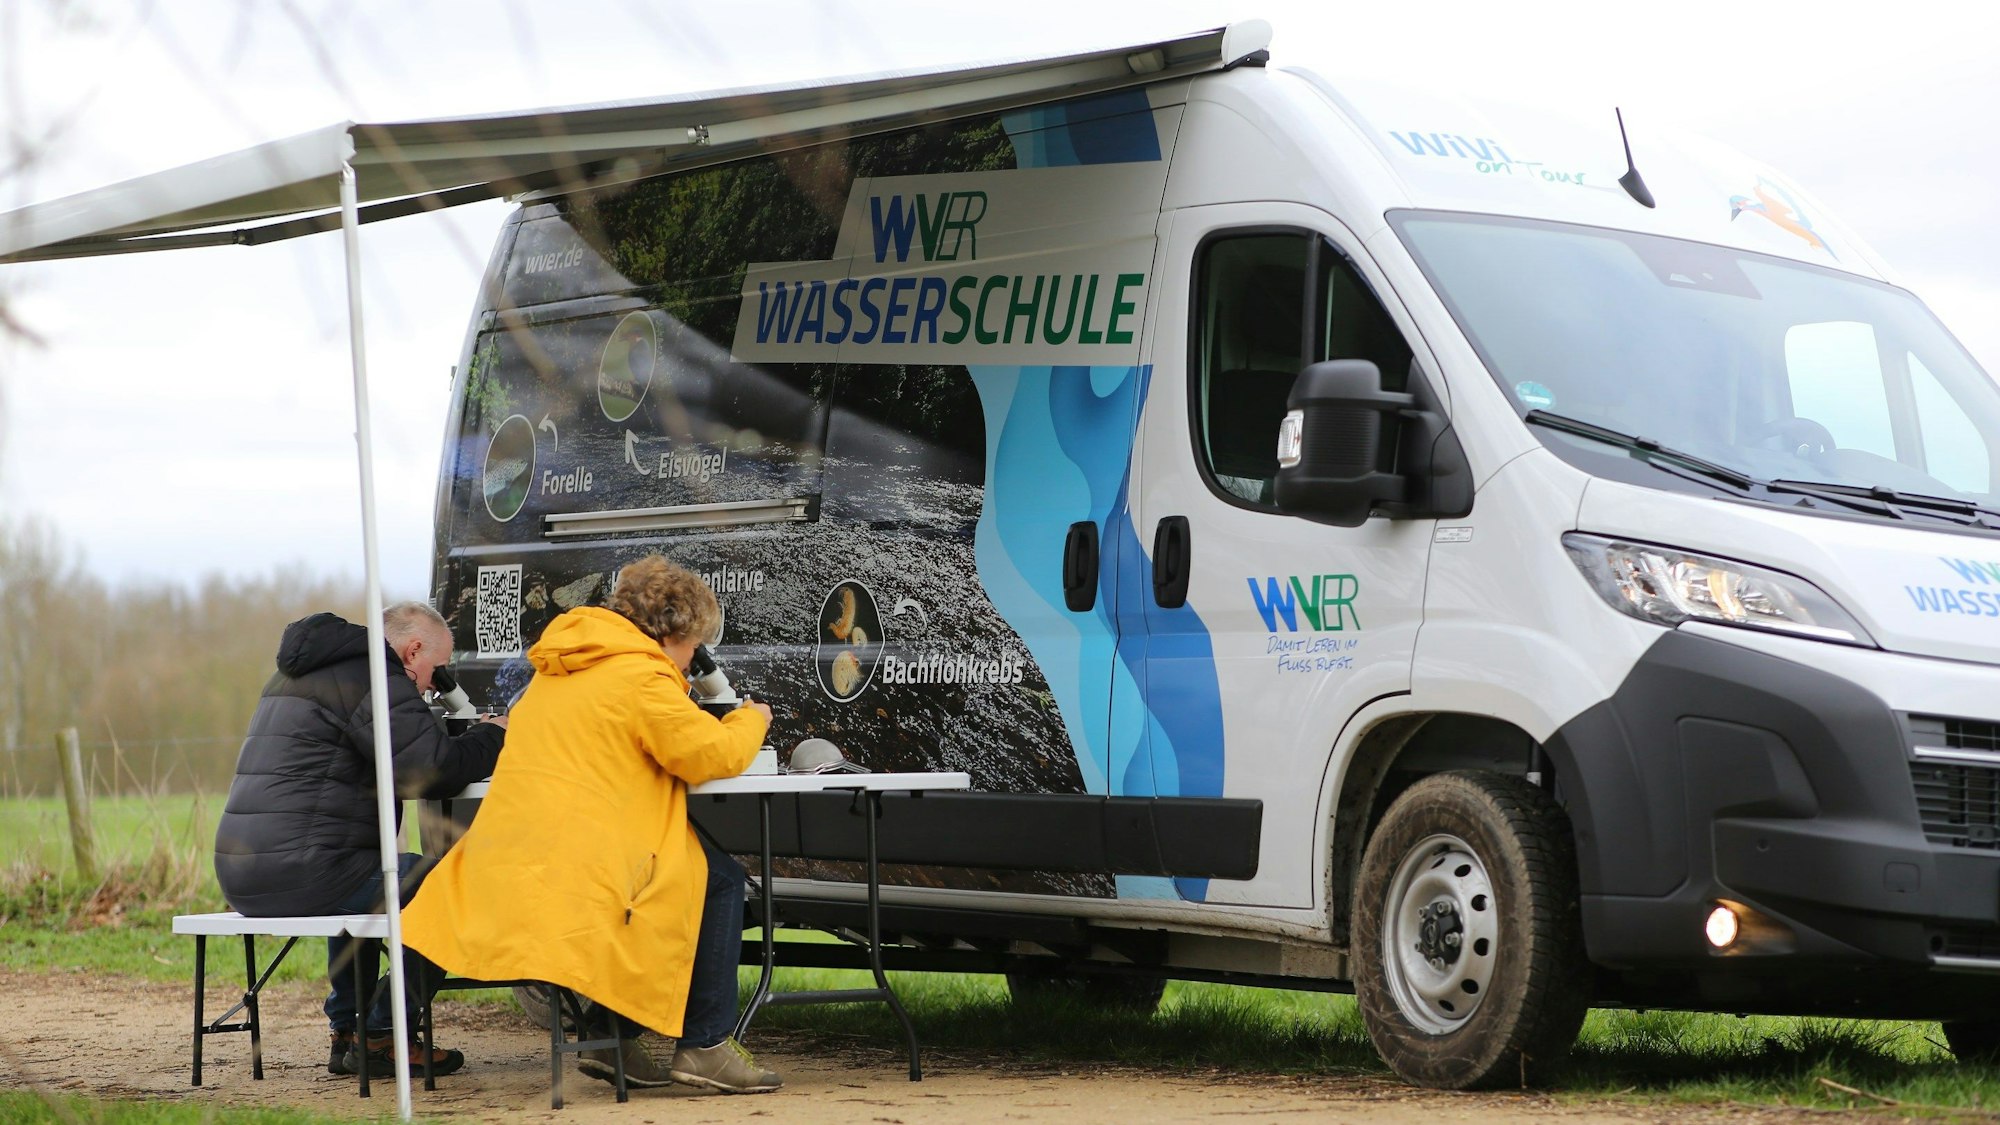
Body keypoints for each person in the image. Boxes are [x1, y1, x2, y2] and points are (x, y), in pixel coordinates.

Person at [401, 555, 782, 1093]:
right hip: (581, 871)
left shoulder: (559, 668)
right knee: (717, 881)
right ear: (672, 631)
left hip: (509, 860)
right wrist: (751, 719)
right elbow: (708, 755)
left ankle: (613, 1037)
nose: (695, 656)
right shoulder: (641, 676)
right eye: (694, 643)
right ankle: (705, 1044)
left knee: (685, 873)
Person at [213, 602, 506, 1079]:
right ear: (413, 651)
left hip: (244, 871)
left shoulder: (308, 672)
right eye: (435, 671)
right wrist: (494, 736)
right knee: (451, 882)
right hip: (306, 869)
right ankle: (383, 1034)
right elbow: (431, 772)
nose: (435, 685)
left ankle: (348, 1031)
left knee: (374, 875)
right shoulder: (374, 676)